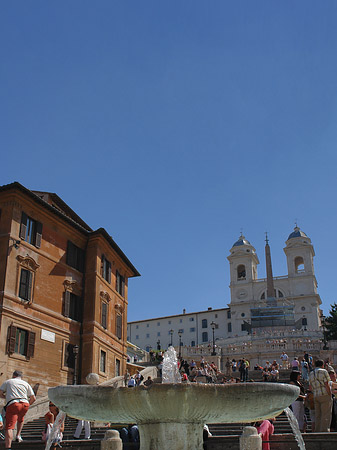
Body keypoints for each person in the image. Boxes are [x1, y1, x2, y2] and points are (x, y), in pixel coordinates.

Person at [0, 370, 36, 449]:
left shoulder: (8, 382)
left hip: (13, 403)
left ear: (13, 376)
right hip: (25, 403)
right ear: (21, 377)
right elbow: (33, 398)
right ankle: (18, 435)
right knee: (21, 419)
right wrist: (27, 405)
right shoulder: (26, 383)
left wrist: (6, 397)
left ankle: (8, 447)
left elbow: (0, 392)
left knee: (9, 426)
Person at [308, 359, 332, 432]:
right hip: (324, 394)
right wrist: (329, 394)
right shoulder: (324, 371)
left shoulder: (311, 373)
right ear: (322, 365)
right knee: (326, 414)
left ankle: (317, 430)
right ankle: (324, 431)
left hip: (316, 396)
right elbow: (326, 384)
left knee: (318, 415)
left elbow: (310, 387)